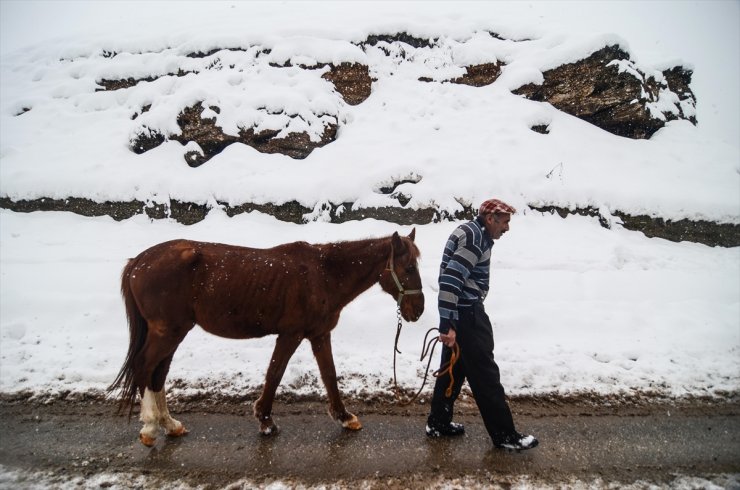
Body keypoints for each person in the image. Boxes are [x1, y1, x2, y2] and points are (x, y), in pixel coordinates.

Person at [425, 198, 538, 451]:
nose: (507, 228)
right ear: (490, 219)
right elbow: (451, 280)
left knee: (452, 371)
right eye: (505, 222)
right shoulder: (475, 239)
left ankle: (438, 422)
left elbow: (451, 277)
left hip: (461, 313)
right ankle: (505, 435)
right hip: (468, 316)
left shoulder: (472, 231)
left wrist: (449, 319)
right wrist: (448, 323)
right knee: (486, 376)